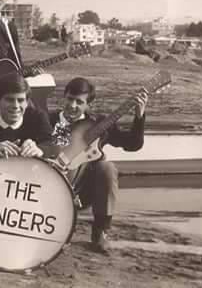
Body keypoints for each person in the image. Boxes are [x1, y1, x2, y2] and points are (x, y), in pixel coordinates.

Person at [49, 77, 148, 254]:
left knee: (107, 167)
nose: (73, 105)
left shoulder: (98, 125)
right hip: (50, 185)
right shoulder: (49, 120)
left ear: (88, 105)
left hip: (83, 191)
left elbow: (132, 144)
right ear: (64, 97)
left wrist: (139, 116)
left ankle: (100, 232)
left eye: (79, 102)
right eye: (70, 99)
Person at [0, 73, 54, 163]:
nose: (16, 106)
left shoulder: (38, 117)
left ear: (27, 102)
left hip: (30, 173)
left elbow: (53, 146)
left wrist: (40, 149)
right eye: (10, 100)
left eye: (20, 100)